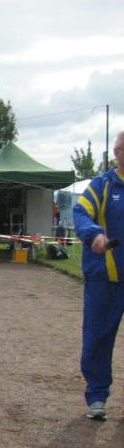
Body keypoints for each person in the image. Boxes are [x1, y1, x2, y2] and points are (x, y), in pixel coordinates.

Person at [74, 130, 124, 421]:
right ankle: (97, 396)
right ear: (118, 153)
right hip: (104, 279)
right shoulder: (102, 185)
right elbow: (81, 212)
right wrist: (93, 234)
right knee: (97, 339)